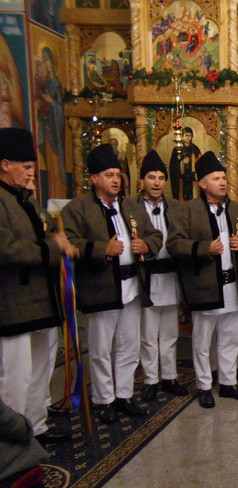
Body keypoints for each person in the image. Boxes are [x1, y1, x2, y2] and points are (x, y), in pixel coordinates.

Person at [62, 143, 161, 424]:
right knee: (101, 349)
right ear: (94, 178)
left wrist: (146, 245)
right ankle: (104, 400)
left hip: (131, 288)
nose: (116, 180)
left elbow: (154, 235)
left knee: (129, 346)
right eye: (109, 175)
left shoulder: (131, 206)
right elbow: (69, 242)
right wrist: (101, 249)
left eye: (118, 175)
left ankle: (124, 395)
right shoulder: (77, 208)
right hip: (100, 289)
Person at [0, 127, 77, 443]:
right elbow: (7, 249)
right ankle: (13, 440)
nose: (32, 173)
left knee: (40, 370)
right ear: (5, 165)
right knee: (15, 376)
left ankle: (36, 426)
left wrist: (58, 240)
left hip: (44, 300)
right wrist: (52, 246)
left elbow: (47, 230)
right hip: (14, 303)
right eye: (26, 167)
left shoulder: (26, 199)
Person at [167, 151, 238, 409]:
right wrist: (205, 248)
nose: (223, 182)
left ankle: (228, 383)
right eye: (216, 178)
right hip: (204, 287)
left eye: (224, 178)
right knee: (203, 341)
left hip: (232, 285)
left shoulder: (236, 209)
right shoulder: (188, 211)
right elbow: (174, 244)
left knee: (231, 338)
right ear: (203, 184)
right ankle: (204, 386)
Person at [136, 150, 187, 402]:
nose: (156, 183)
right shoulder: (132, 207)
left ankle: (169, 376)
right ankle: (150, 380)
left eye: (160, 178)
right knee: (148, 334)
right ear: (142, 181)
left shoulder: (176, 207)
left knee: (170, 332)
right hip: (146, 278)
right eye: (151, 177)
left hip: (171, 277)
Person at [169, 127, 201, 201]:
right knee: (182, 197)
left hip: (192, 178)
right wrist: (182, 162)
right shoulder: (177, 149)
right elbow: (173, 166)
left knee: (193, 199)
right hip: (181, 179)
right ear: (182, 136)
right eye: (186, 135)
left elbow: (200, 162)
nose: (188, 138)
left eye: (190, 135)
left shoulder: (195, 149)